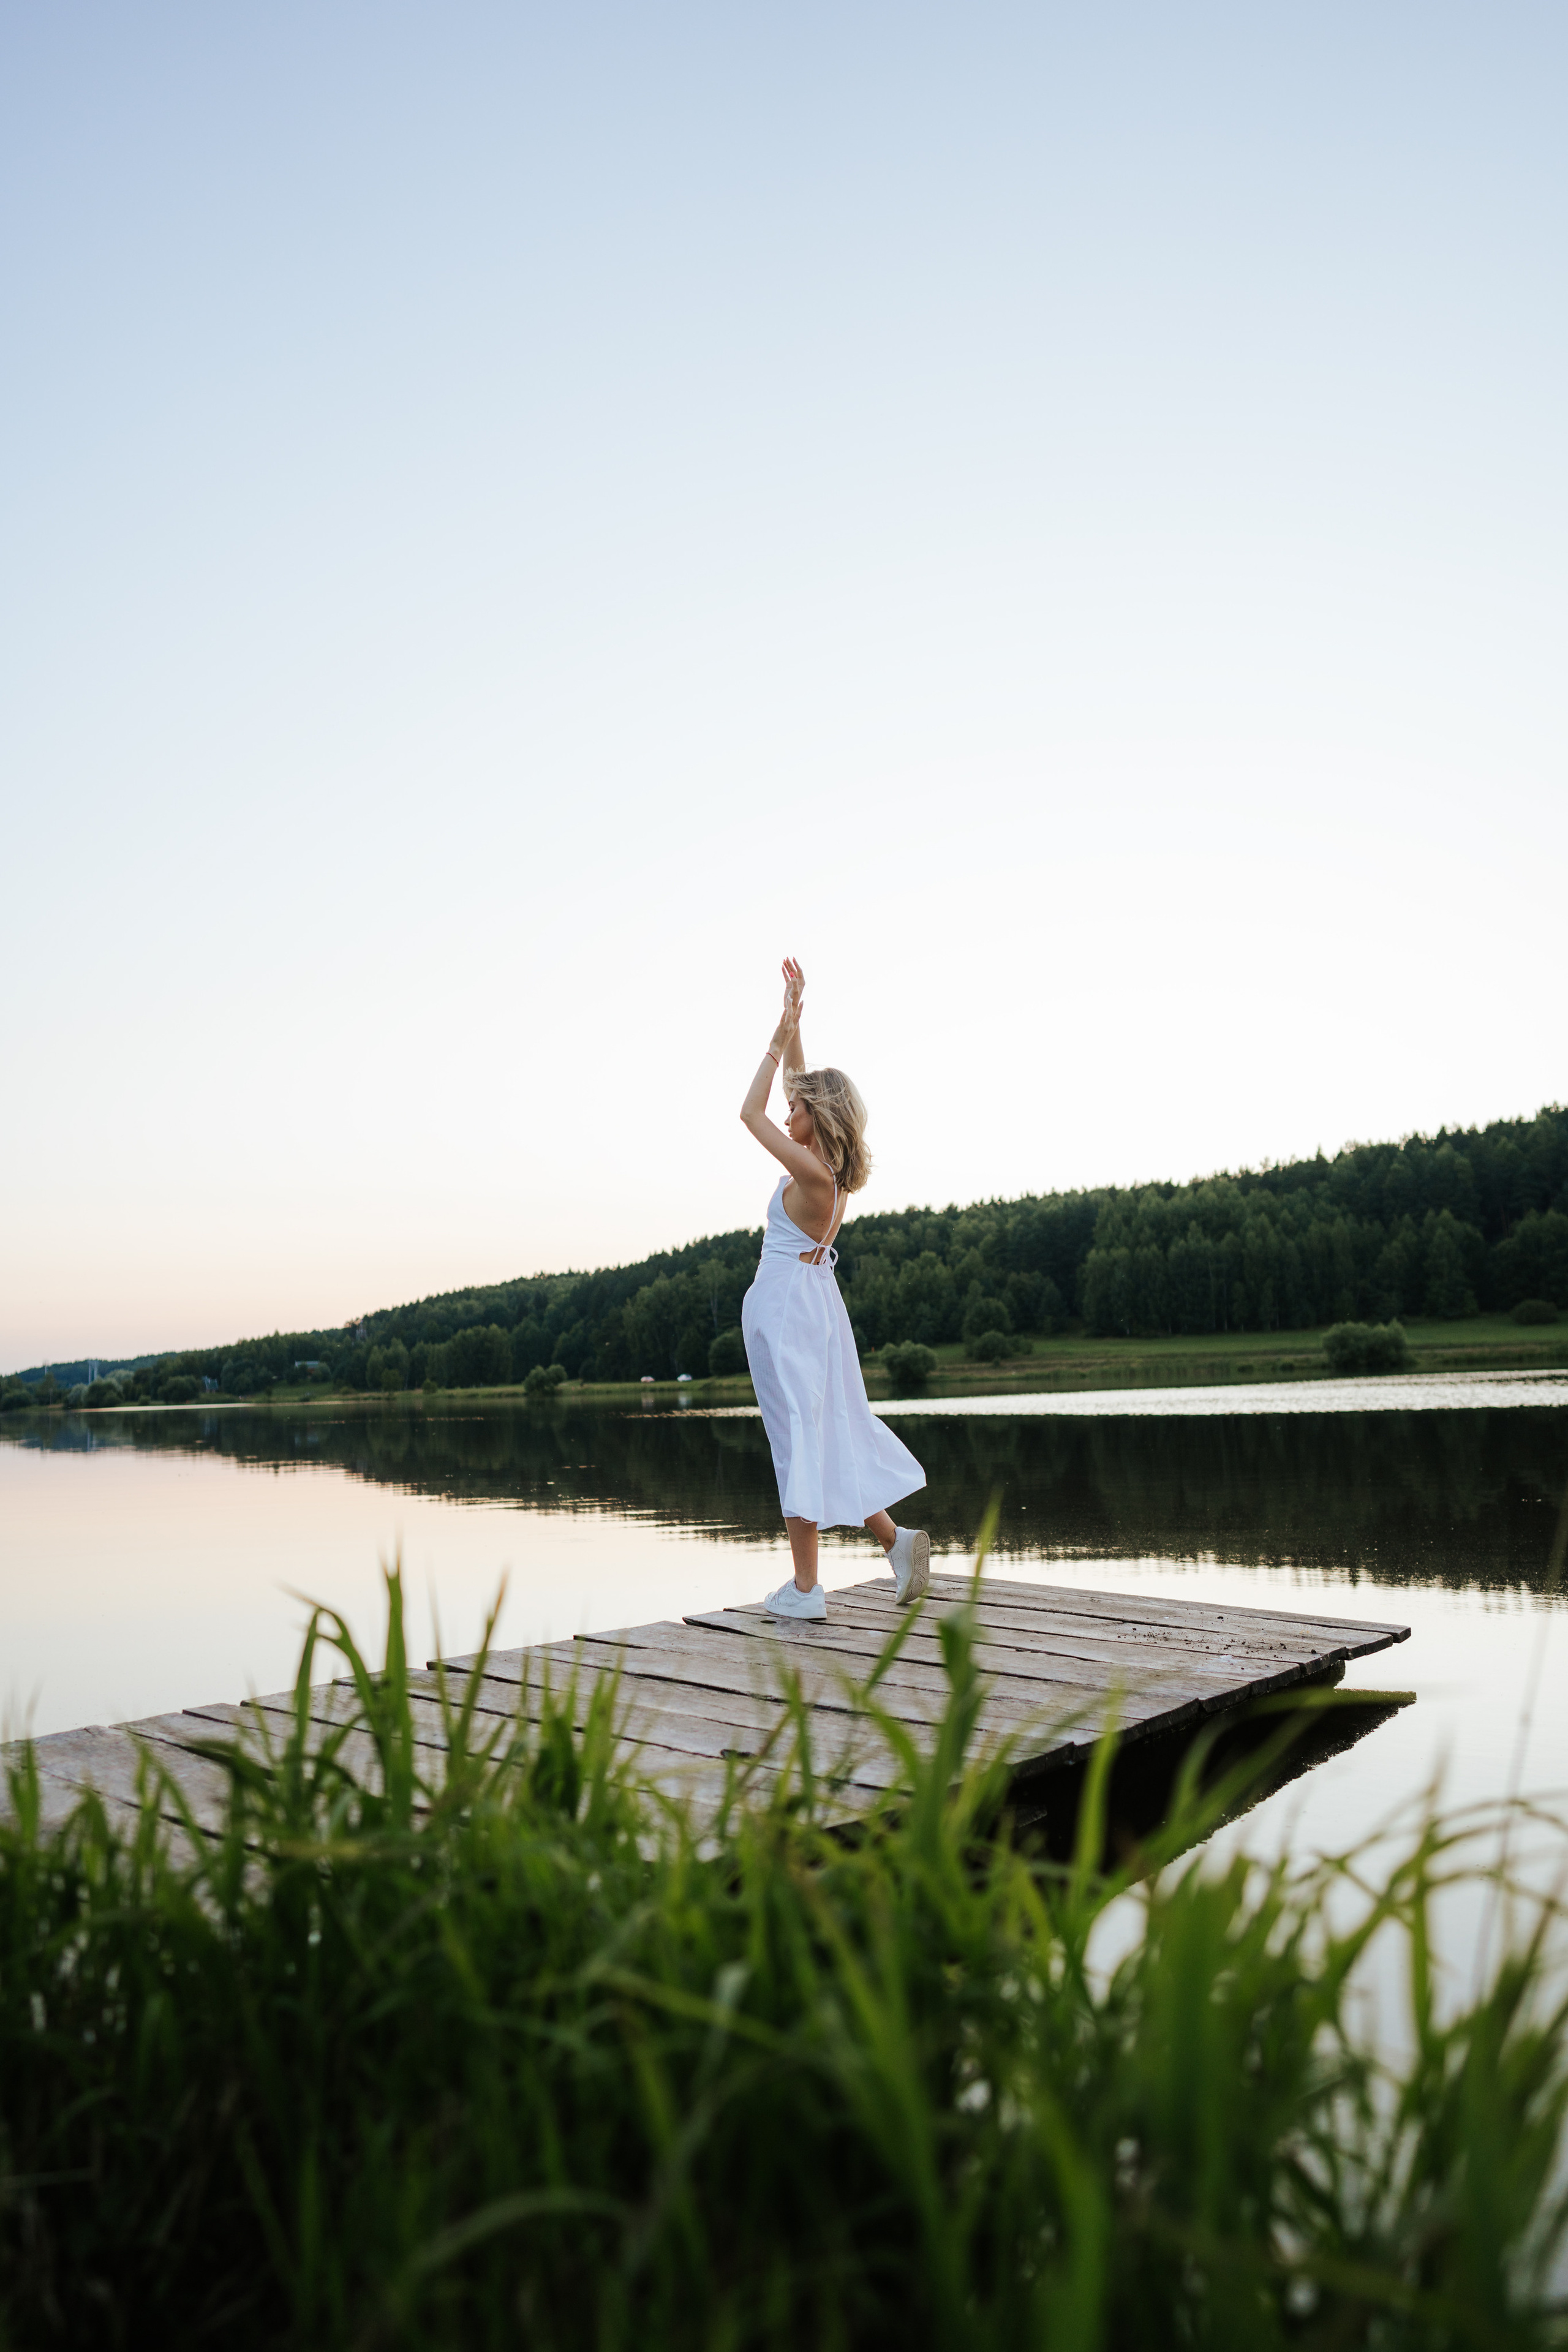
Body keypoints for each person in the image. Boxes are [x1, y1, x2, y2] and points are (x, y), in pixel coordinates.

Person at [738, 956, 930, 1621]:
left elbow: (748, 1111)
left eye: (798, 1105)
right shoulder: (832, 1173)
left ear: (813, 1118)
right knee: (823, 1435)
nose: (787, 1106)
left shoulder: (812, 1174)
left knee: (796, 1439)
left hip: (789, 1307)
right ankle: (896, 1542)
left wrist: (772, 1039)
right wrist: (793, 1015)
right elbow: (797, 1084)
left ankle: (805, 1590)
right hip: (813, 1307)